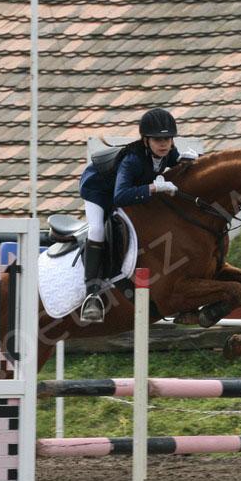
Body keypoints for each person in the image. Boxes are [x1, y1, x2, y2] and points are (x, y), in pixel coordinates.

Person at [77, 108, 196, 323]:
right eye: (158, 140)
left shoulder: (169, 152)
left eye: (168, 139)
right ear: (146, 140)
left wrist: (188, 161)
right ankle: (92, 294)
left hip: (124, 189)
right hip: (98, 190)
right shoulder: (132, 160)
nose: (164, 144)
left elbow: (177, 163)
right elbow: (120, 196)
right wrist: (154, 188)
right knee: (97, 230)